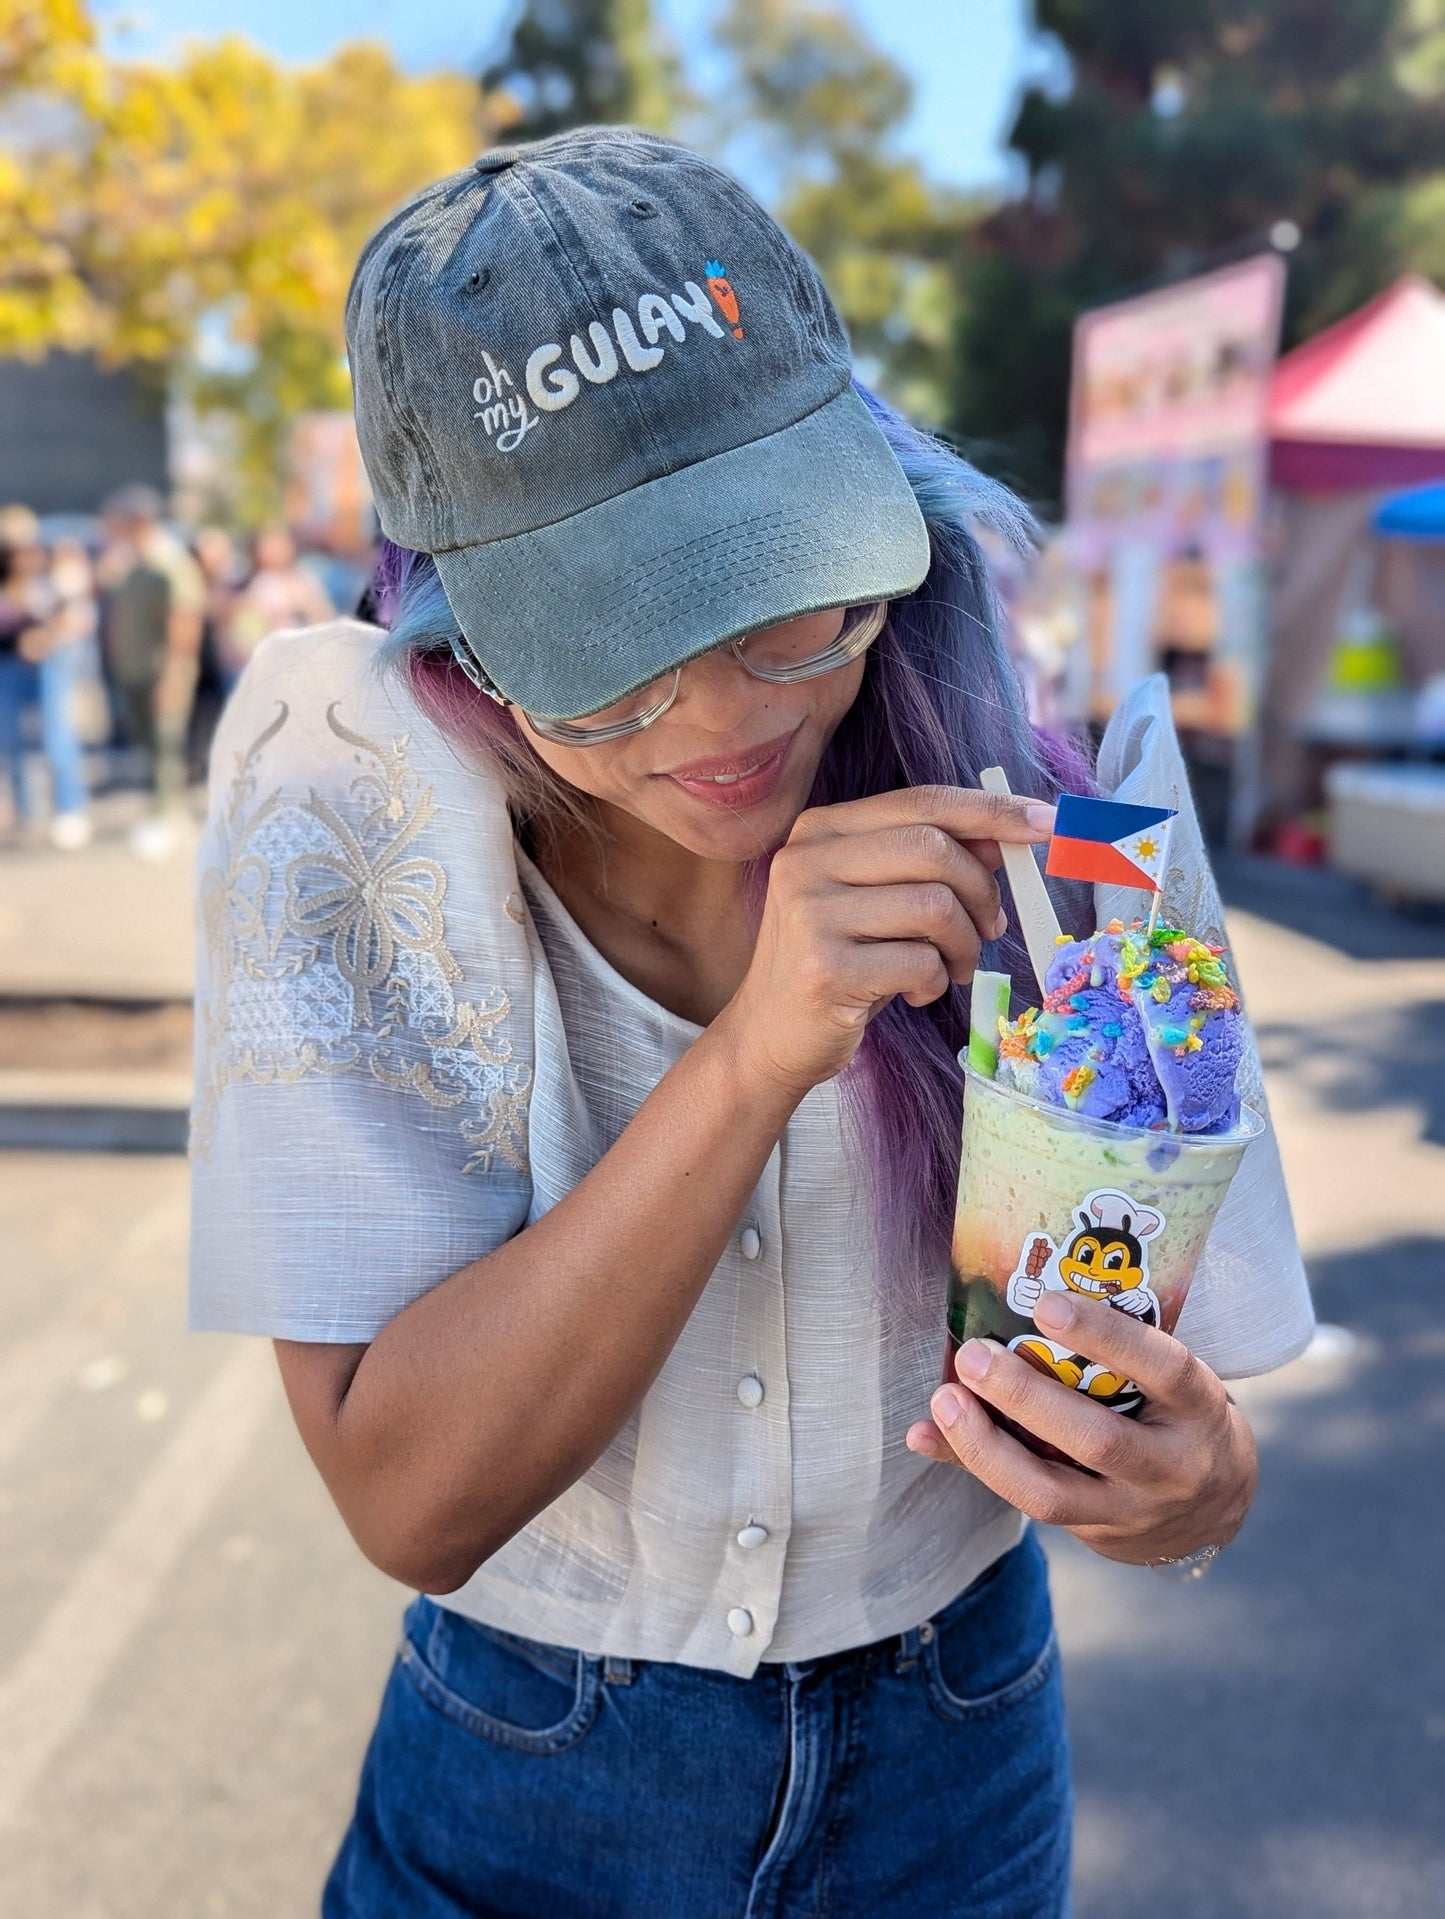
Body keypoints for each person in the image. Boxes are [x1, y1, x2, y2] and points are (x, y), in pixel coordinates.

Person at [189, 130, 1314, 1918]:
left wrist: (1191, 1486)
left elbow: (1198, 1406)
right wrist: (755, 1052)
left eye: (786, 590)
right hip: (520, 1784)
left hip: (957, 1755)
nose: (721, 710)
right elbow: (408, 1502)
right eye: (608, 643)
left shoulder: (1066, 822)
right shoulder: (352, 814)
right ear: (455, 623)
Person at [95, 484, 206, 860]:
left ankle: (168, 818)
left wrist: (173, 675)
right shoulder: (130, 560)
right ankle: (163, 812)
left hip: (162, 670)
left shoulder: (168, 561)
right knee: (148, 745)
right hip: (134, 668)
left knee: (165, 746)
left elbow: (184, 619)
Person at [0, 507, 93, 847]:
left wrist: (46, 638)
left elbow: (77, 617)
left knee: (58, 736)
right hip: (8, 663)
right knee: (11, 740)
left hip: (49, 662)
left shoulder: (55, 569)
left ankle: (71, 808)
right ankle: (26, 811)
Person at [217, 525, 334, 690]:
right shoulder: (255, 587)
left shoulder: (303, 581)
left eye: (281, 544)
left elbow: (324, 618)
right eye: (271, 545)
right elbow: (244, 635)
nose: (278, 550)